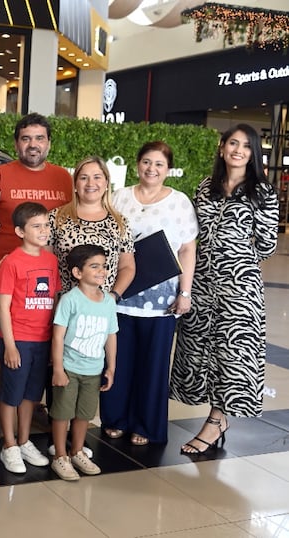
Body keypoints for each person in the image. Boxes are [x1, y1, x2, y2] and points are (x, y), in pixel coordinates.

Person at [0, 113, 72, 441]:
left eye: (39, 138)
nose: (32, 144)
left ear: (48, 143)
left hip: (47, 281)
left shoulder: (63, 178)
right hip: (0, 278)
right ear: (16, 143)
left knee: (42, 345)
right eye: (26, 138)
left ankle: (32, 406)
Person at [170, 123, 279, 455]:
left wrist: (235, 255)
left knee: (233, 354)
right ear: (222, 147)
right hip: (202, 282)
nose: (238, 150)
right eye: (233, 143)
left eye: (246, 146)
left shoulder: (263, 191)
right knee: (200, 351)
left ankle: (217, 420)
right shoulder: (205, 187)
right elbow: (189, 231)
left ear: (253, 153)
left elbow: (268, 244)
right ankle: (214, 414)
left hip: (239, 286)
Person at [100, 141, 198, 445]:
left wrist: (185, 292)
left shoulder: (179, 202)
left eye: (158, 164)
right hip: (122, 296)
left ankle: (145, 424)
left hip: (162, 301)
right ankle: (115, 418)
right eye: (146, 162)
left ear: (168, 169)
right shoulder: (119, 198)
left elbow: (187, 249)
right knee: (118, 360)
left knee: (153, 365)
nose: (151, 169)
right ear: (137, 164)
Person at [47, 155, 135, 455]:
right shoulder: (57, 217)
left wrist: (111, 298)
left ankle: (77, 444)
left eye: (97, 177)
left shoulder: (119, 222)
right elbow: (40, 257)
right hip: (63, 307)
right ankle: (58, 441)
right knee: (61, 373)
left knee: (88, 375)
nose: (91, 183)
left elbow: (127, 267)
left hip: (97, 313)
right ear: (75, 183)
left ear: (107, 183)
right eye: (84, 177)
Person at [0, 202, 61, 473]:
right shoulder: (12, 262)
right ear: (20, 231)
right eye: (37, 226)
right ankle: (9, 446)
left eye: (46, 225)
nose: (44, 230)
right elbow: (2, 306)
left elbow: (54, 299)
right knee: (12, 394)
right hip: (18, 339)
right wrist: (10, 346)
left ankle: (24, 441)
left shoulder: (51, 260)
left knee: (31, 395)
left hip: (42, 340)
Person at [49, 244, 118, 481]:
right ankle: (60, 455)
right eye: (94, 266)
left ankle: (77, 451)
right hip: (69, 368)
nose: (102, 271)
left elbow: (111, 335)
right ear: (77, 273)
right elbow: (58, 336)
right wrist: (58, 368)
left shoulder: (108, 301)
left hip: (93, 370)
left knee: (84, 415)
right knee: (62, 413)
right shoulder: (70, 300)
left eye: (104, 266)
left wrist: (111, 366)